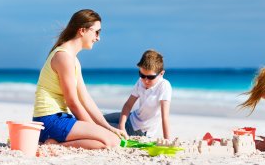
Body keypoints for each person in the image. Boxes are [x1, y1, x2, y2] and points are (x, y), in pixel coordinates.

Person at [32, 9, 125, 149]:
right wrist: (94, 128)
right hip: (49, 120)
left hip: (60, 118)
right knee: (111, 142)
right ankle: (57, 144)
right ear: (82, 30)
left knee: (110, 139)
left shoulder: (73, 59)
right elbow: (72, 102)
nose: (98, 38)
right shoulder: (63, 57)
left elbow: (85, 98)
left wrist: (107, 128)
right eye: (96, 32)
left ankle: (55, 143)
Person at [104, 49, 172, 139]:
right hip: (131, 117)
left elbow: (165, 117)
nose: (146, 80)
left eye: (150, 77)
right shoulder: (141, 82)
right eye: (142, 75)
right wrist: (121, 125)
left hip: (140, 130)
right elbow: (128, 105)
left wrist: (167, 141)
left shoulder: (164, 86)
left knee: (99, 126)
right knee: (98, 118)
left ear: (161, 73)